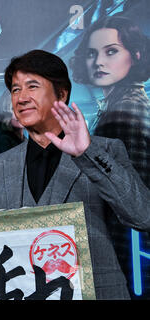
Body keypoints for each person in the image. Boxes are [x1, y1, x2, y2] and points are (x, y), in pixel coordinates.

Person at [0, 50, 150, 299]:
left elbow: (143, 216)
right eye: (15, 89)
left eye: (32, 86)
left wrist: (86, 152)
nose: (21, 98)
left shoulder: (105, 150)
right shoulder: (0, 164)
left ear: (61, 94)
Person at [70, 15, 150, 298]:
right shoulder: (121, 104)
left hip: (125, 257)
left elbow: (130, 200)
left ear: (136, 54)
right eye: (92, 54)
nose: (99, 62)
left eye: (111, 51)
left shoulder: (122, 112)